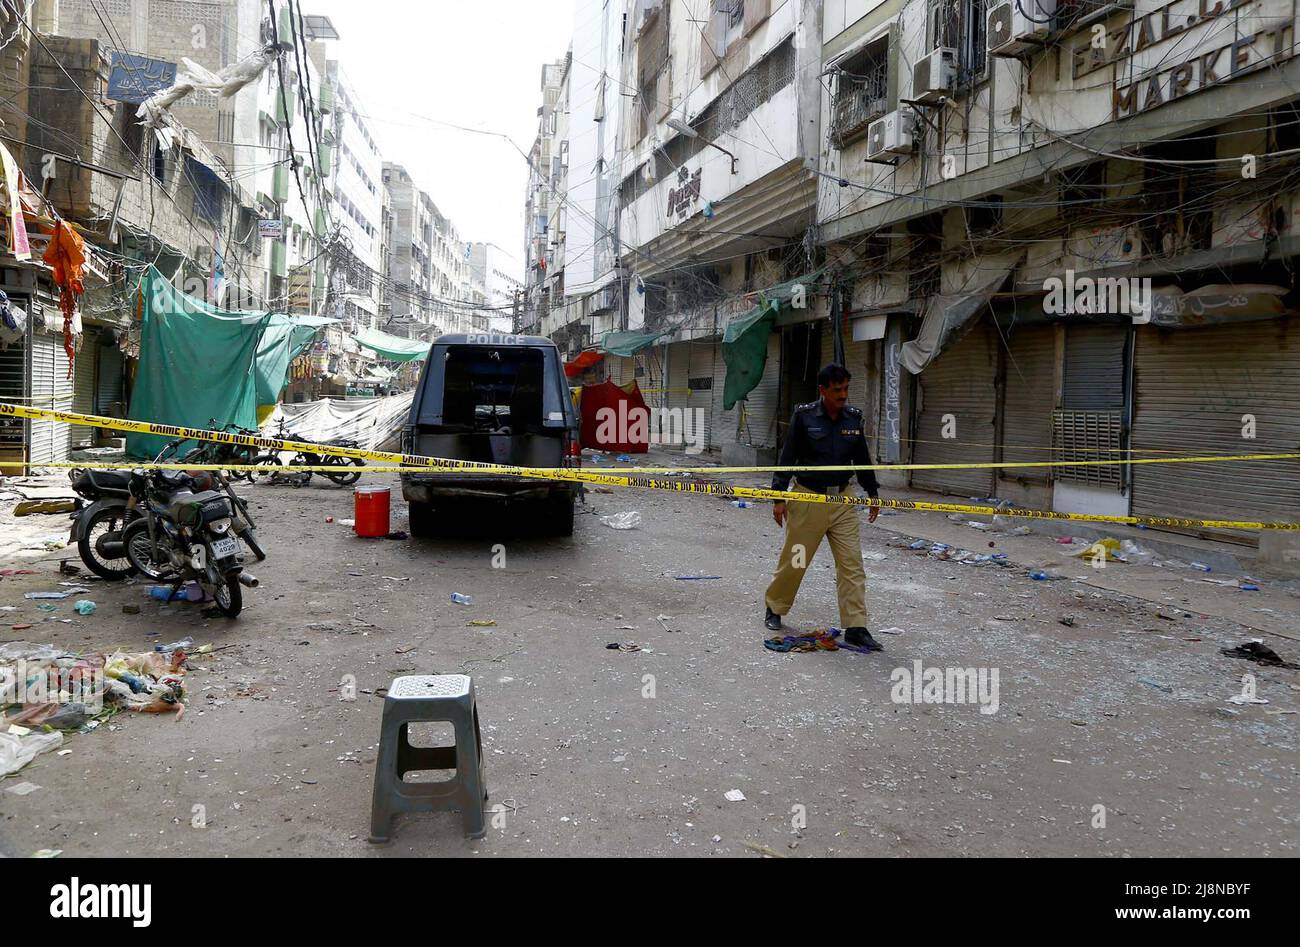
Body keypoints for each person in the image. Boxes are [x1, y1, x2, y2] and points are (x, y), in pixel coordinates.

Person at [763, 363, 883, 651]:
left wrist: (872, 491)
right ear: (823, 390)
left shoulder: (853, 419)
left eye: (845, 389)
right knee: (797, 559)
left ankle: (855, 626)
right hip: (808, 499)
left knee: (852, 564)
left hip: (842, 500)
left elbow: (862, 459)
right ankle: (775, 607)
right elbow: (787, 456)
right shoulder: (804, 417)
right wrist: (778, 497)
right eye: (837, 390)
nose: (843, 395)